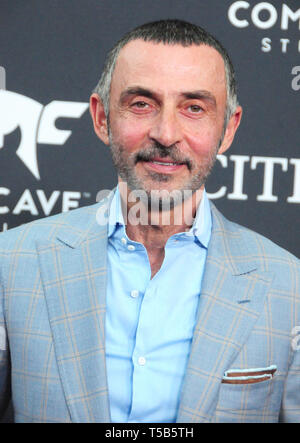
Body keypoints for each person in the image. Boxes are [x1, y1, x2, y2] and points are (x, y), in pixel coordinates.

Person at [0, 19, 299, 424]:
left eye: (194, 108)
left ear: (227, 129)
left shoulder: (289, 288)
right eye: (141, 104)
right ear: (102, 118)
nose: (165, 133)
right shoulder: (11, 264)